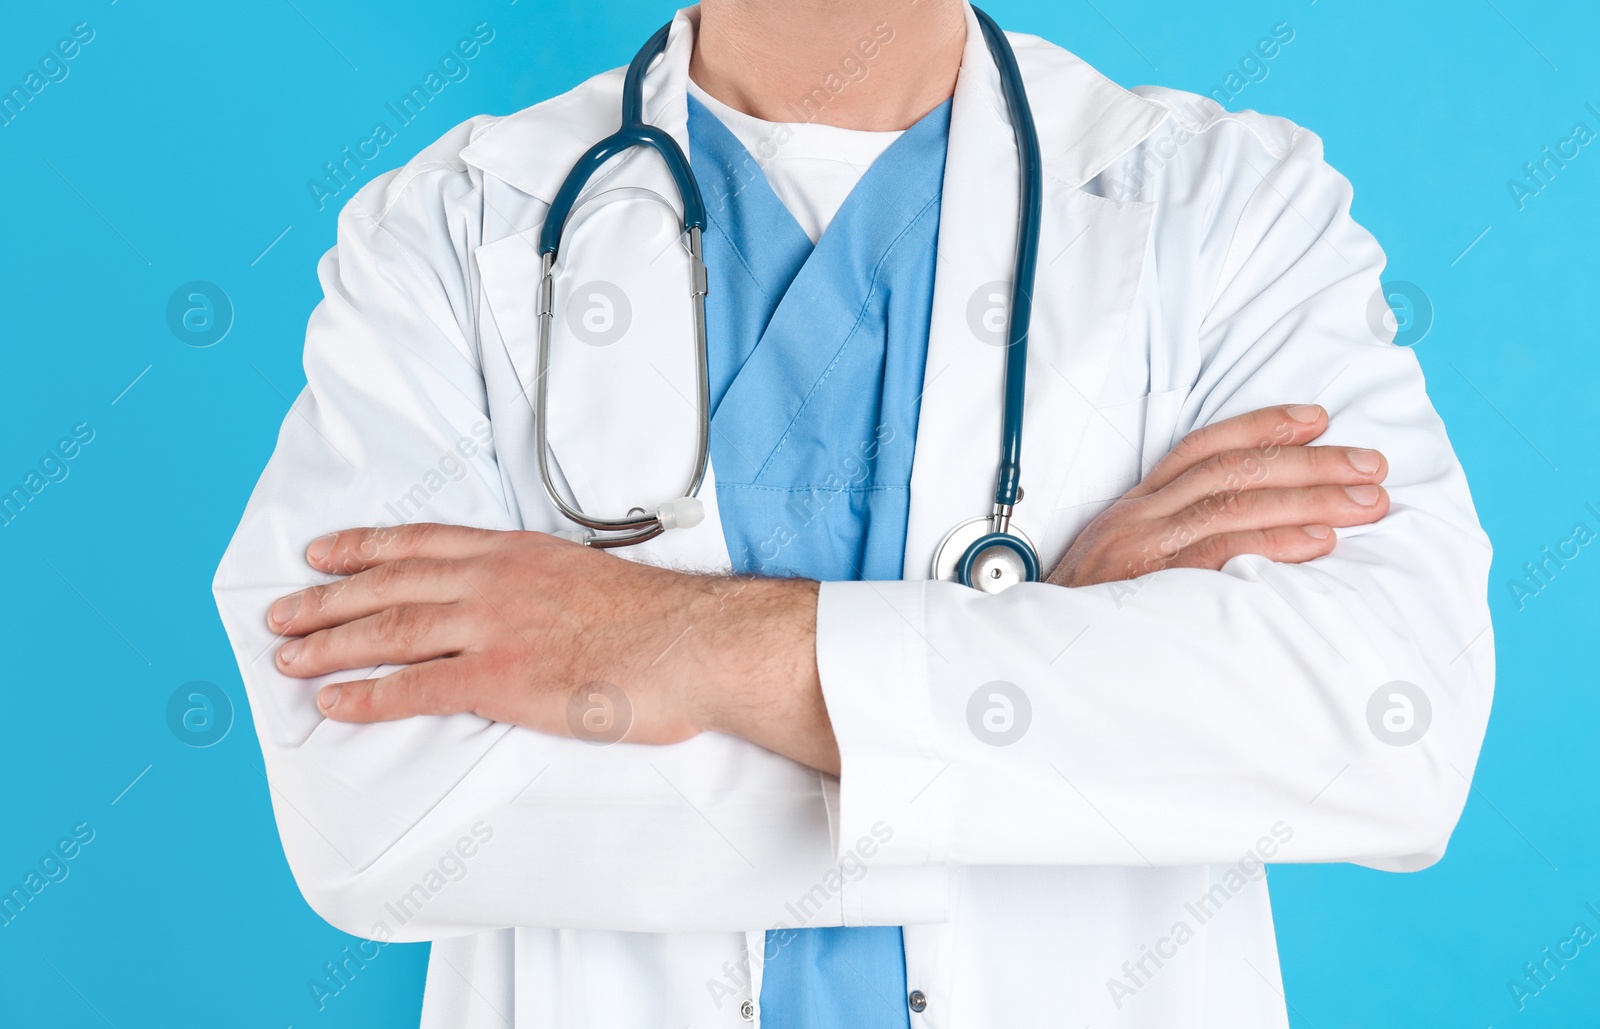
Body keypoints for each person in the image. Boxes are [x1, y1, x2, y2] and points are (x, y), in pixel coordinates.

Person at [212, 2, 1494, 1026]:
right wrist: (1040, 672)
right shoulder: (449, 226)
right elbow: (373, 812)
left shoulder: (1226, 209)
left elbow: (1386, 724)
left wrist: (666, 642)